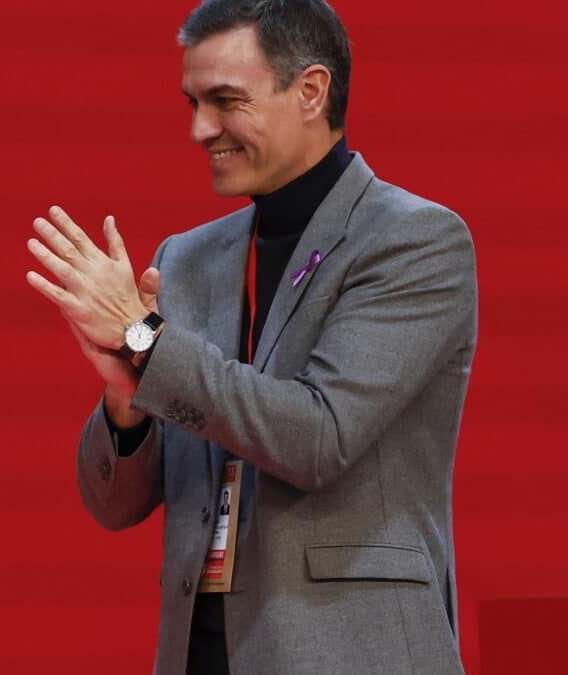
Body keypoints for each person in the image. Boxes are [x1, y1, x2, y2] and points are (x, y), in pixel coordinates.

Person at [25, 2, 475, 674]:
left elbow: (317, 437)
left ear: (311, 91)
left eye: (225, 101)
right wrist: (126, 395)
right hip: (203, 649)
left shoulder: (415, 241)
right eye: (192, 102)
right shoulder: (187, 259)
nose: (200, 128)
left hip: (354, 649)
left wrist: (146, 339)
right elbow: (114, 503)